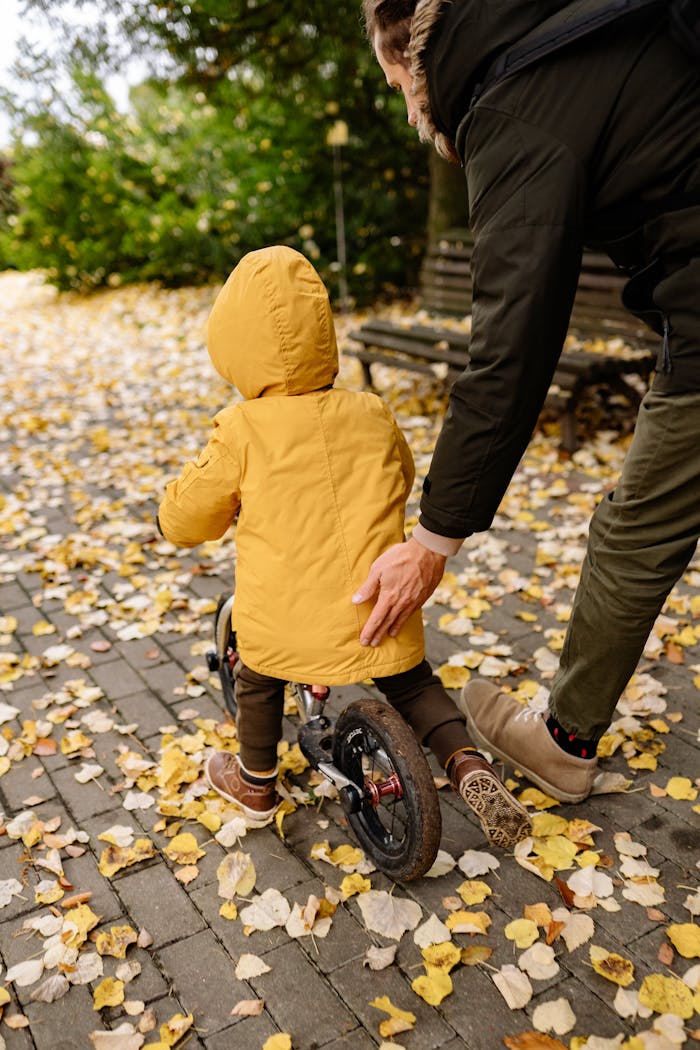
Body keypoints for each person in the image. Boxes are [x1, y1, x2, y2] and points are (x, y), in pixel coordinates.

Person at [355, 0, 700, 802]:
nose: (407, 107)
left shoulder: (512, 101)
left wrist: (432, 542)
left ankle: (564, 742)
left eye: (396, 82)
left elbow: (510, 348)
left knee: (634, 529)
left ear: (413, 54)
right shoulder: (573, 26)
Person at [158, 245, 530, 848]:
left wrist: (171, 515)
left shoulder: (241, 429)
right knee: (410, 681)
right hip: (378, 600)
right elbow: (403, 476)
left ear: (233, 345)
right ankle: (467, 762)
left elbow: (190, 516)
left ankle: (254, 785)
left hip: (285, 620)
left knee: (256, 673)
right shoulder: (372, 412)